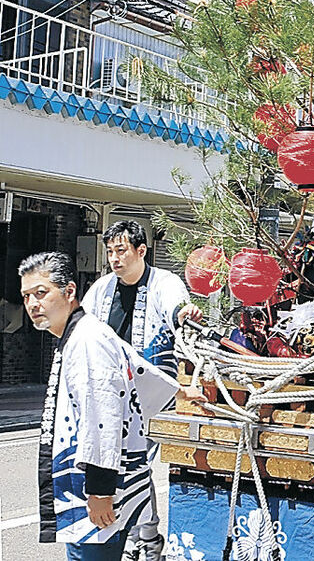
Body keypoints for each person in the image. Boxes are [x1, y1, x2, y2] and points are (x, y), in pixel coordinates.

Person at [19, 252, 199, 561]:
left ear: (69, 291)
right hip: (104, 485)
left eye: (41, 292)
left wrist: (101, 491)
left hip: (99, 491)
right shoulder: (86, 333)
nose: (34, 304)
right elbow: (140, 370)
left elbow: (103, 415)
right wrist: (179, 395)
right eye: (26, 296)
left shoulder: (86, 339)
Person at [81, 221, 202, 560]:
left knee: (134, 461)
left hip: (149, 389)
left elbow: (176, 305)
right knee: (117, 462)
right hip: (108, 390)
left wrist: (184, 313)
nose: (114, 259)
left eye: (121, 251)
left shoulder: (164, 281)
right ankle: (144, 538)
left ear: (141, 251)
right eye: (110, 252)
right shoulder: (101, 289)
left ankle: (143, 539)